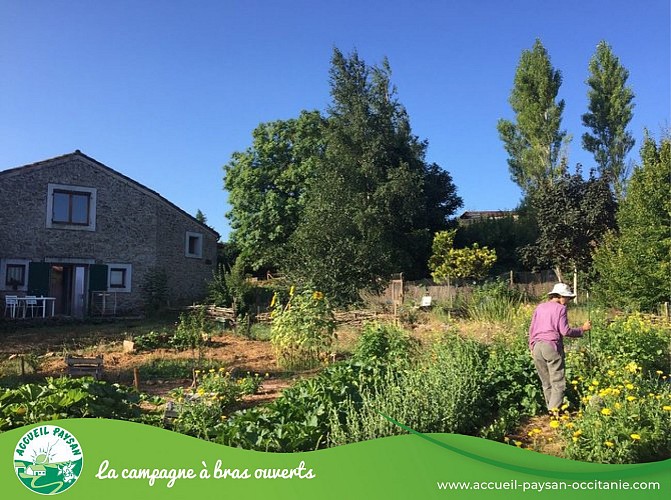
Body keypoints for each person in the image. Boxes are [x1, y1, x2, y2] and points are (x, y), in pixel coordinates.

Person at [528, 282, 591, 412]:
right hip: (551, 346)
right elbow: (565, 331)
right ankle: (554, 411)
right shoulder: (561, 309)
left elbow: (532, 329)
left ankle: (551, 410)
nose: (568, 301)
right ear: (560, 296)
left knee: (546, 382)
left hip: (537, 347)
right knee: (558, 382)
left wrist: (531, 347)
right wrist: (582, 329)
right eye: (567, 298)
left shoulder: (540, 307)